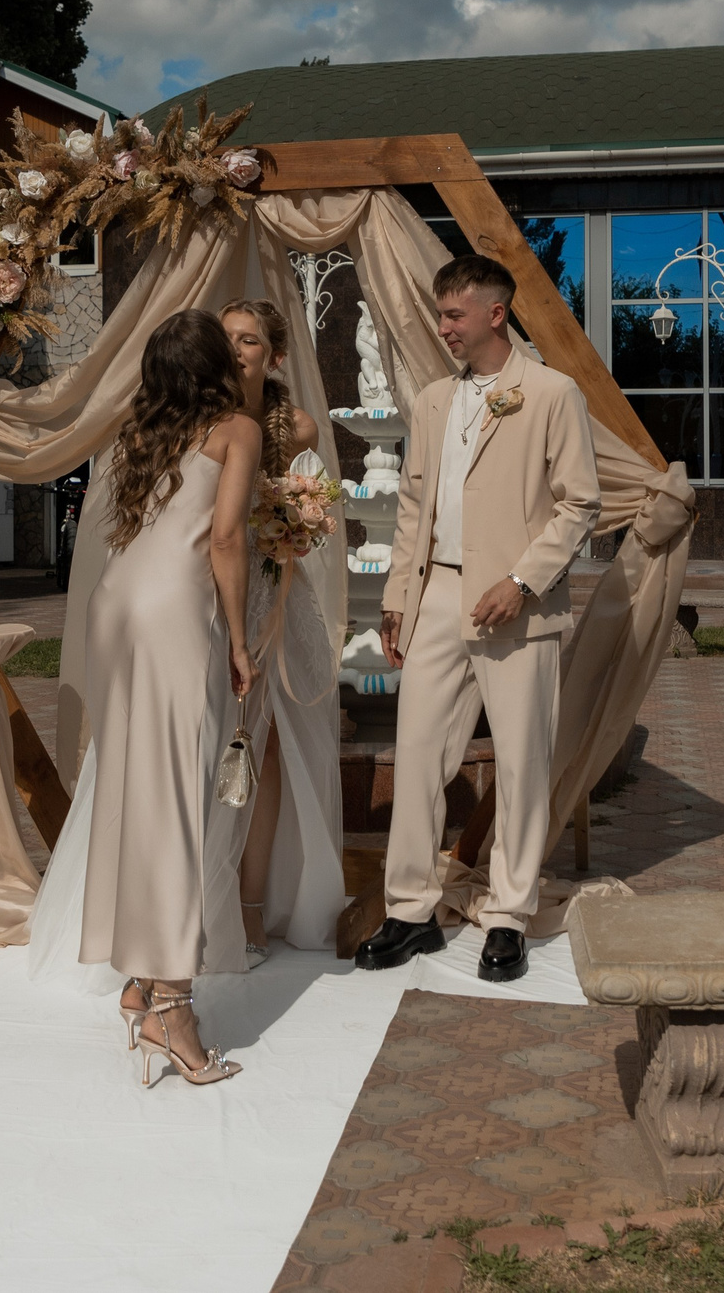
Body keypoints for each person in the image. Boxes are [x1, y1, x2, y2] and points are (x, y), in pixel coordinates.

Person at [354, 254, 601, 984]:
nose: (444, 328)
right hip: (436, 597)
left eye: (455, 315)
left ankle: (507, 915)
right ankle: (409, 911)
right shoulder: (433, 401)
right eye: (440, 315)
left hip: (515, 606)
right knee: (419, 753)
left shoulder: (553, 393)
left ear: (496, 313)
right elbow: (412, 507)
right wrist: (397, 598)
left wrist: (522, 580)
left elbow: (579, 503)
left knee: (523, 762)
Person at [68, 308, 259, 1086]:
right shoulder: (236, 429)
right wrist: (241, 641)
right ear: (218, 363)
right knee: (177, 796)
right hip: (173, 613)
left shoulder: (140, 429)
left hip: (116, 605)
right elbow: (225, 539)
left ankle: (140, 979)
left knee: (133, 790)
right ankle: (173, 1008)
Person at [208, 300, 346, 970]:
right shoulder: (196, 420)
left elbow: (305, 520)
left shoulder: (296, 427)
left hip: (274, 599)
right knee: (201, 752)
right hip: (206, 600)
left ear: (275, 354)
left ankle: (252, 906)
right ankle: (193, 904)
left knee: (259, 755)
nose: (237, 350)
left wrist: (291, 527)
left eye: (250, 340)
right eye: (226, 338)